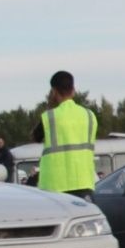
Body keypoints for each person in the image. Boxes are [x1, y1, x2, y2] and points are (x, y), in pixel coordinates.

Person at [34, 70, 98, 199]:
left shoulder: (49, 117)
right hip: (84, 182)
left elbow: (35, 137)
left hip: (54, 186)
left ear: (54, 92)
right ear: (73, 90)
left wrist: (50, 106)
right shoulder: (90, 116)